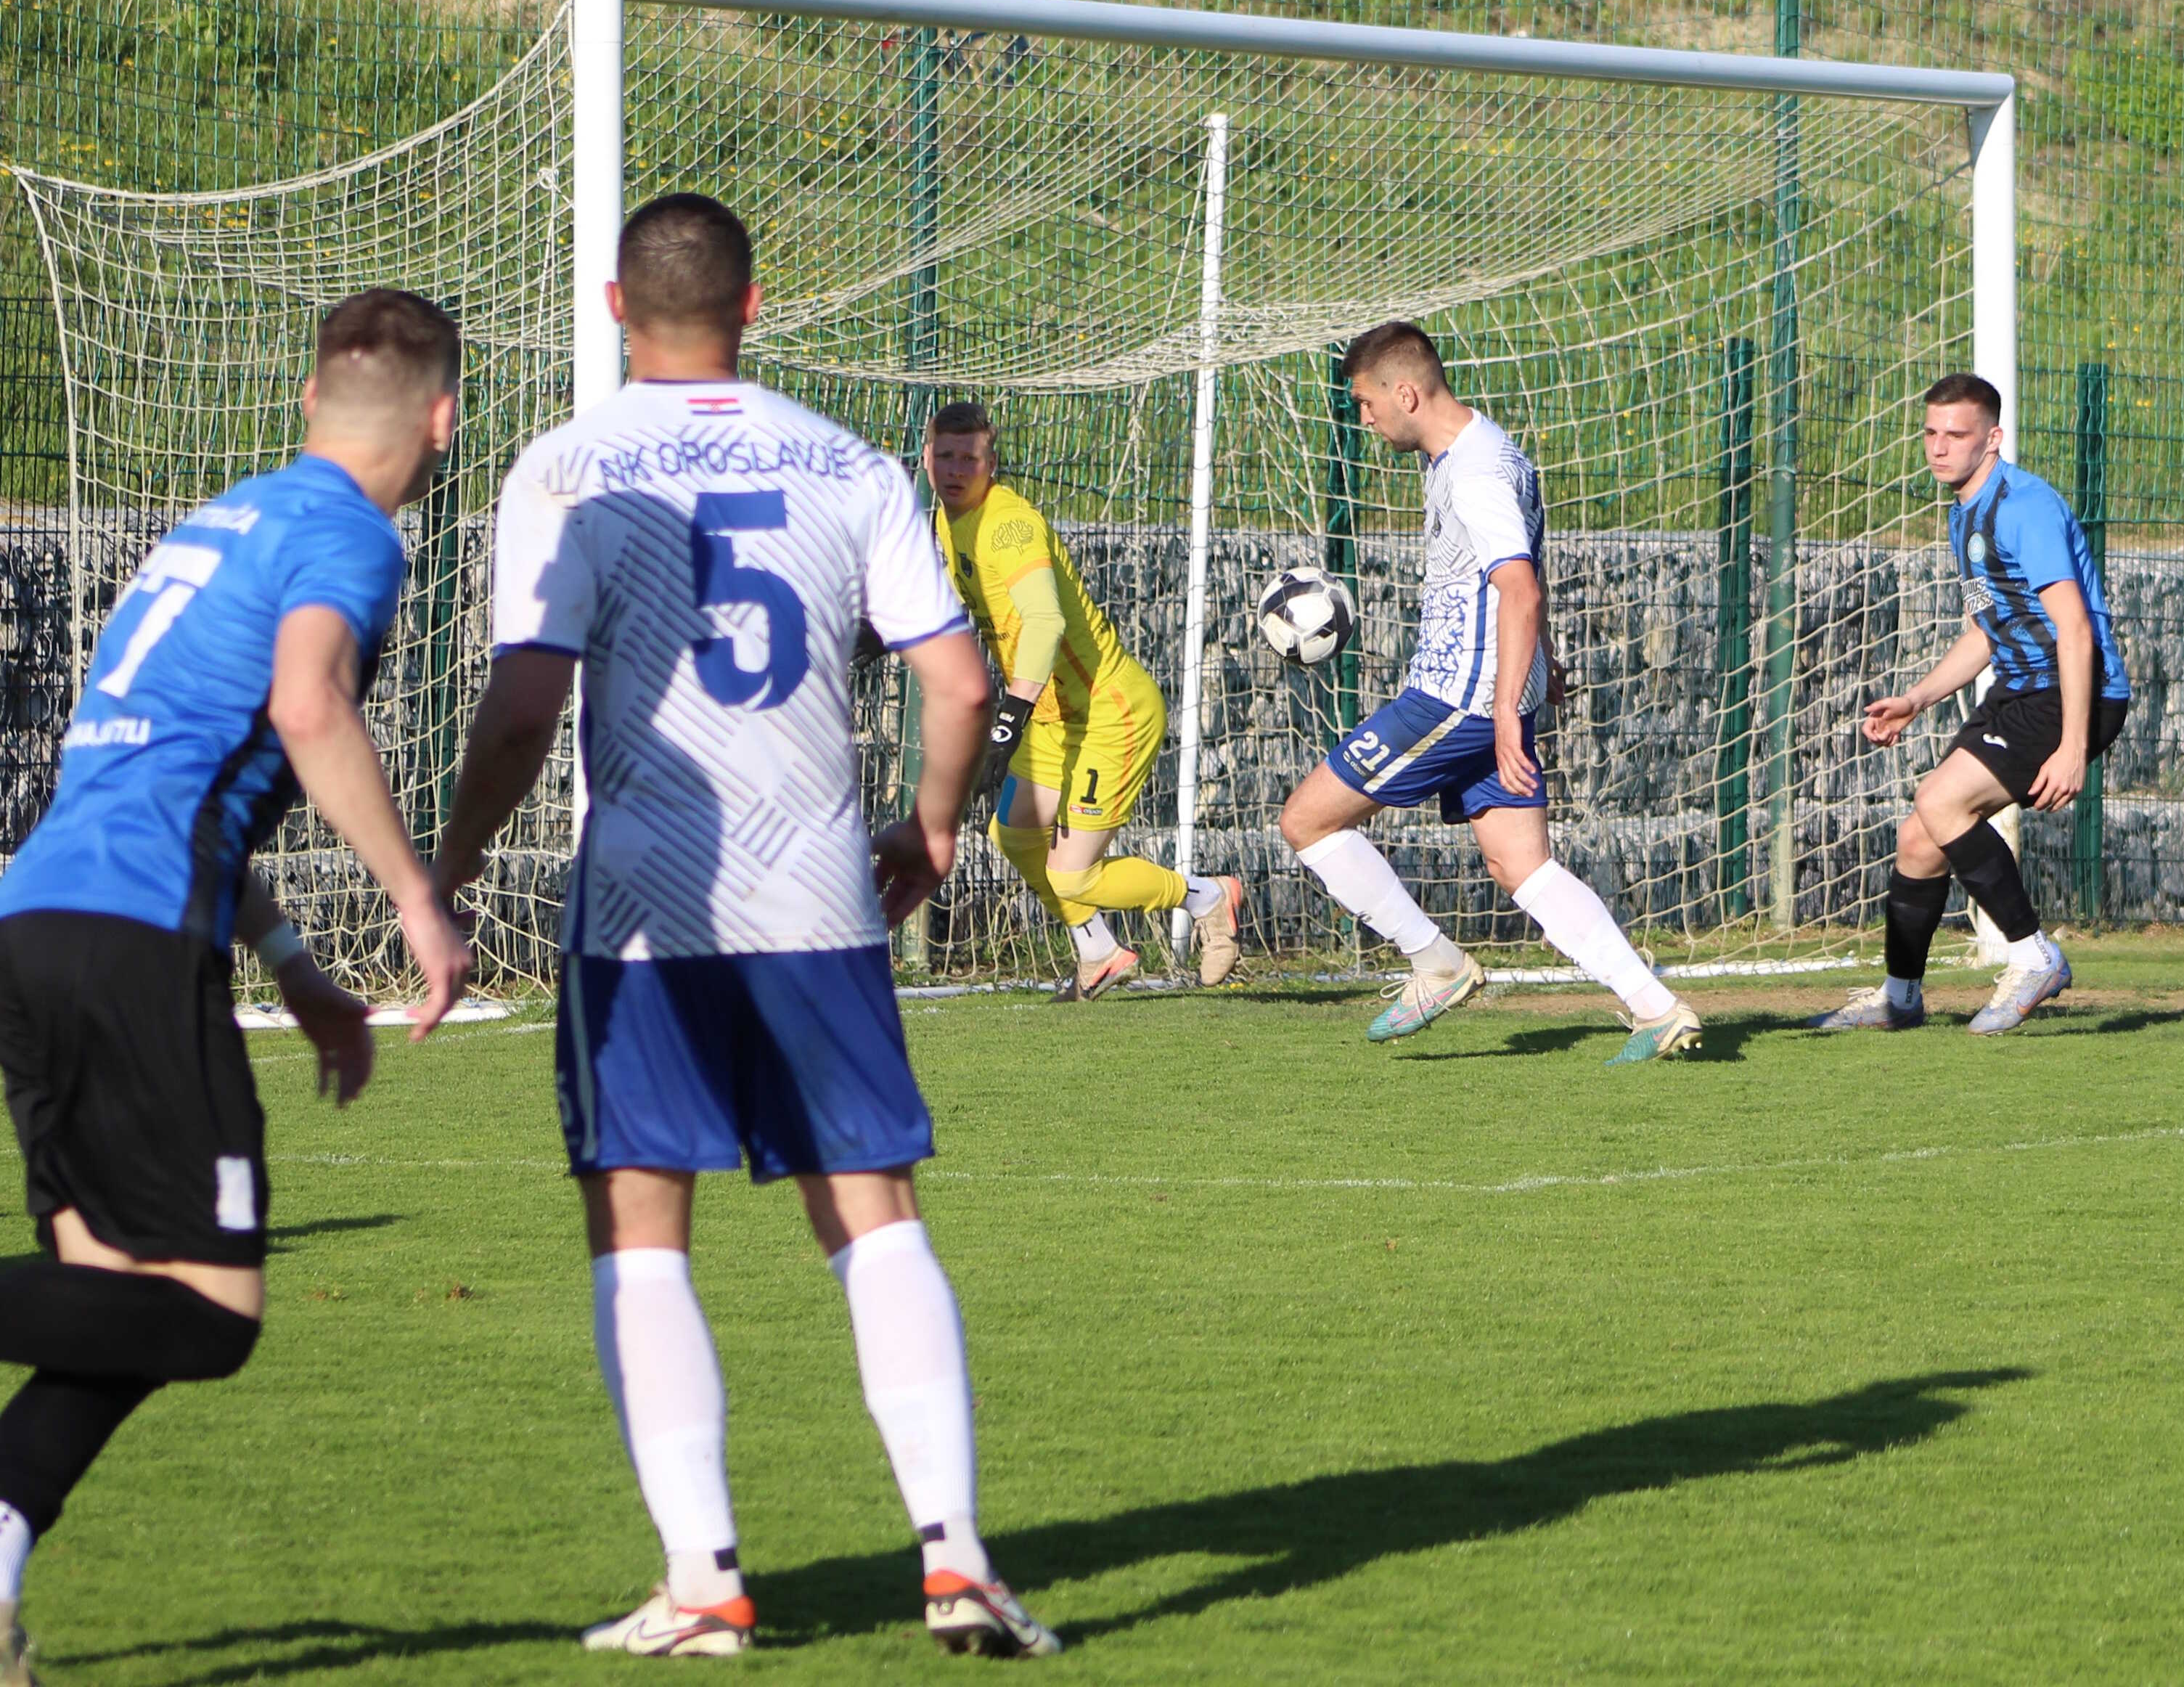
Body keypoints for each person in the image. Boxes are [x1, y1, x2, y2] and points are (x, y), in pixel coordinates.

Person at [429, 194, 1056, 1660]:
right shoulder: (852, 464)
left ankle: (704, 1583)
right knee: (871, 1211)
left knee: (642, 1224)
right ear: (755, 306)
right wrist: (935, 826)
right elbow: (960, 684)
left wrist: (449, 862)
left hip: (645, 901)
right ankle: (956, 1558)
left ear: (612, 307)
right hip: (817, 891)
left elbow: (523, 708)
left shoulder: (568, 466)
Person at [0, 290, 474, 1686]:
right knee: (208, 1314)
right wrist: (415, 898)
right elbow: (307, 706)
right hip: (133, 943)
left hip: (43, 922)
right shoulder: (349, 535)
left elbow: (165, 772)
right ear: (443, 420)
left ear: (310, 400)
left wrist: (294, 965)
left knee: (111, 1303)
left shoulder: (217, 524)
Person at [1275, 320, 1701, 1064]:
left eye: (1368, 402)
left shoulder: (1473, 472)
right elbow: (1519, 573)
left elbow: (1519, 587)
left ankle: (1436, 963)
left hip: (1460, 698)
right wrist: (1542, 659)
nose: (1364, 418)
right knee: (1521, 865)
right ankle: (1655, 1008)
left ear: (1406, 394)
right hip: (1492, 691)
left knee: (1307, 821)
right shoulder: (1488, 450)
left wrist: (1504, 710)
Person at [1808, 371, 2130, 1037]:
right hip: (2021, 688)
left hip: (2074, 690)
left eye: (1956, 434)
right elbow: (1986, 630)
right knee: (1919, 838)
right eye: (1931, 432)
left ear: (1993, 438)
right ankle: (1899, 997)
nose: (1939, 446)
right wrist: (1918, 699)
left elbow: (2074, 629)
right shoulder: (1965, 513)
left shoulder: (2023, 507)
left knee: (1940, 800)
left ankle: (2034, 956)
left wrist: (2072, 747)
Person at [924, 402, 1243, 999]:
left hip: (1108, 711)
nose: (957, 469)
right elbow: (958, 596)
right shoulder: (948, 519)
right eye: (946, 456)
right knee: (1013, 835)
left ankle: (1208, 897)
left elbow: (1044, 623)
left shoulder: (1009, 527)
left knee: (1072, 877)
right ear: (926, 458)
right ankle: (1099, 951)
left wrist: (1007, 721)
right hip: (1053, 715)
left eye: (971, 458)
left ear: (993, 463)